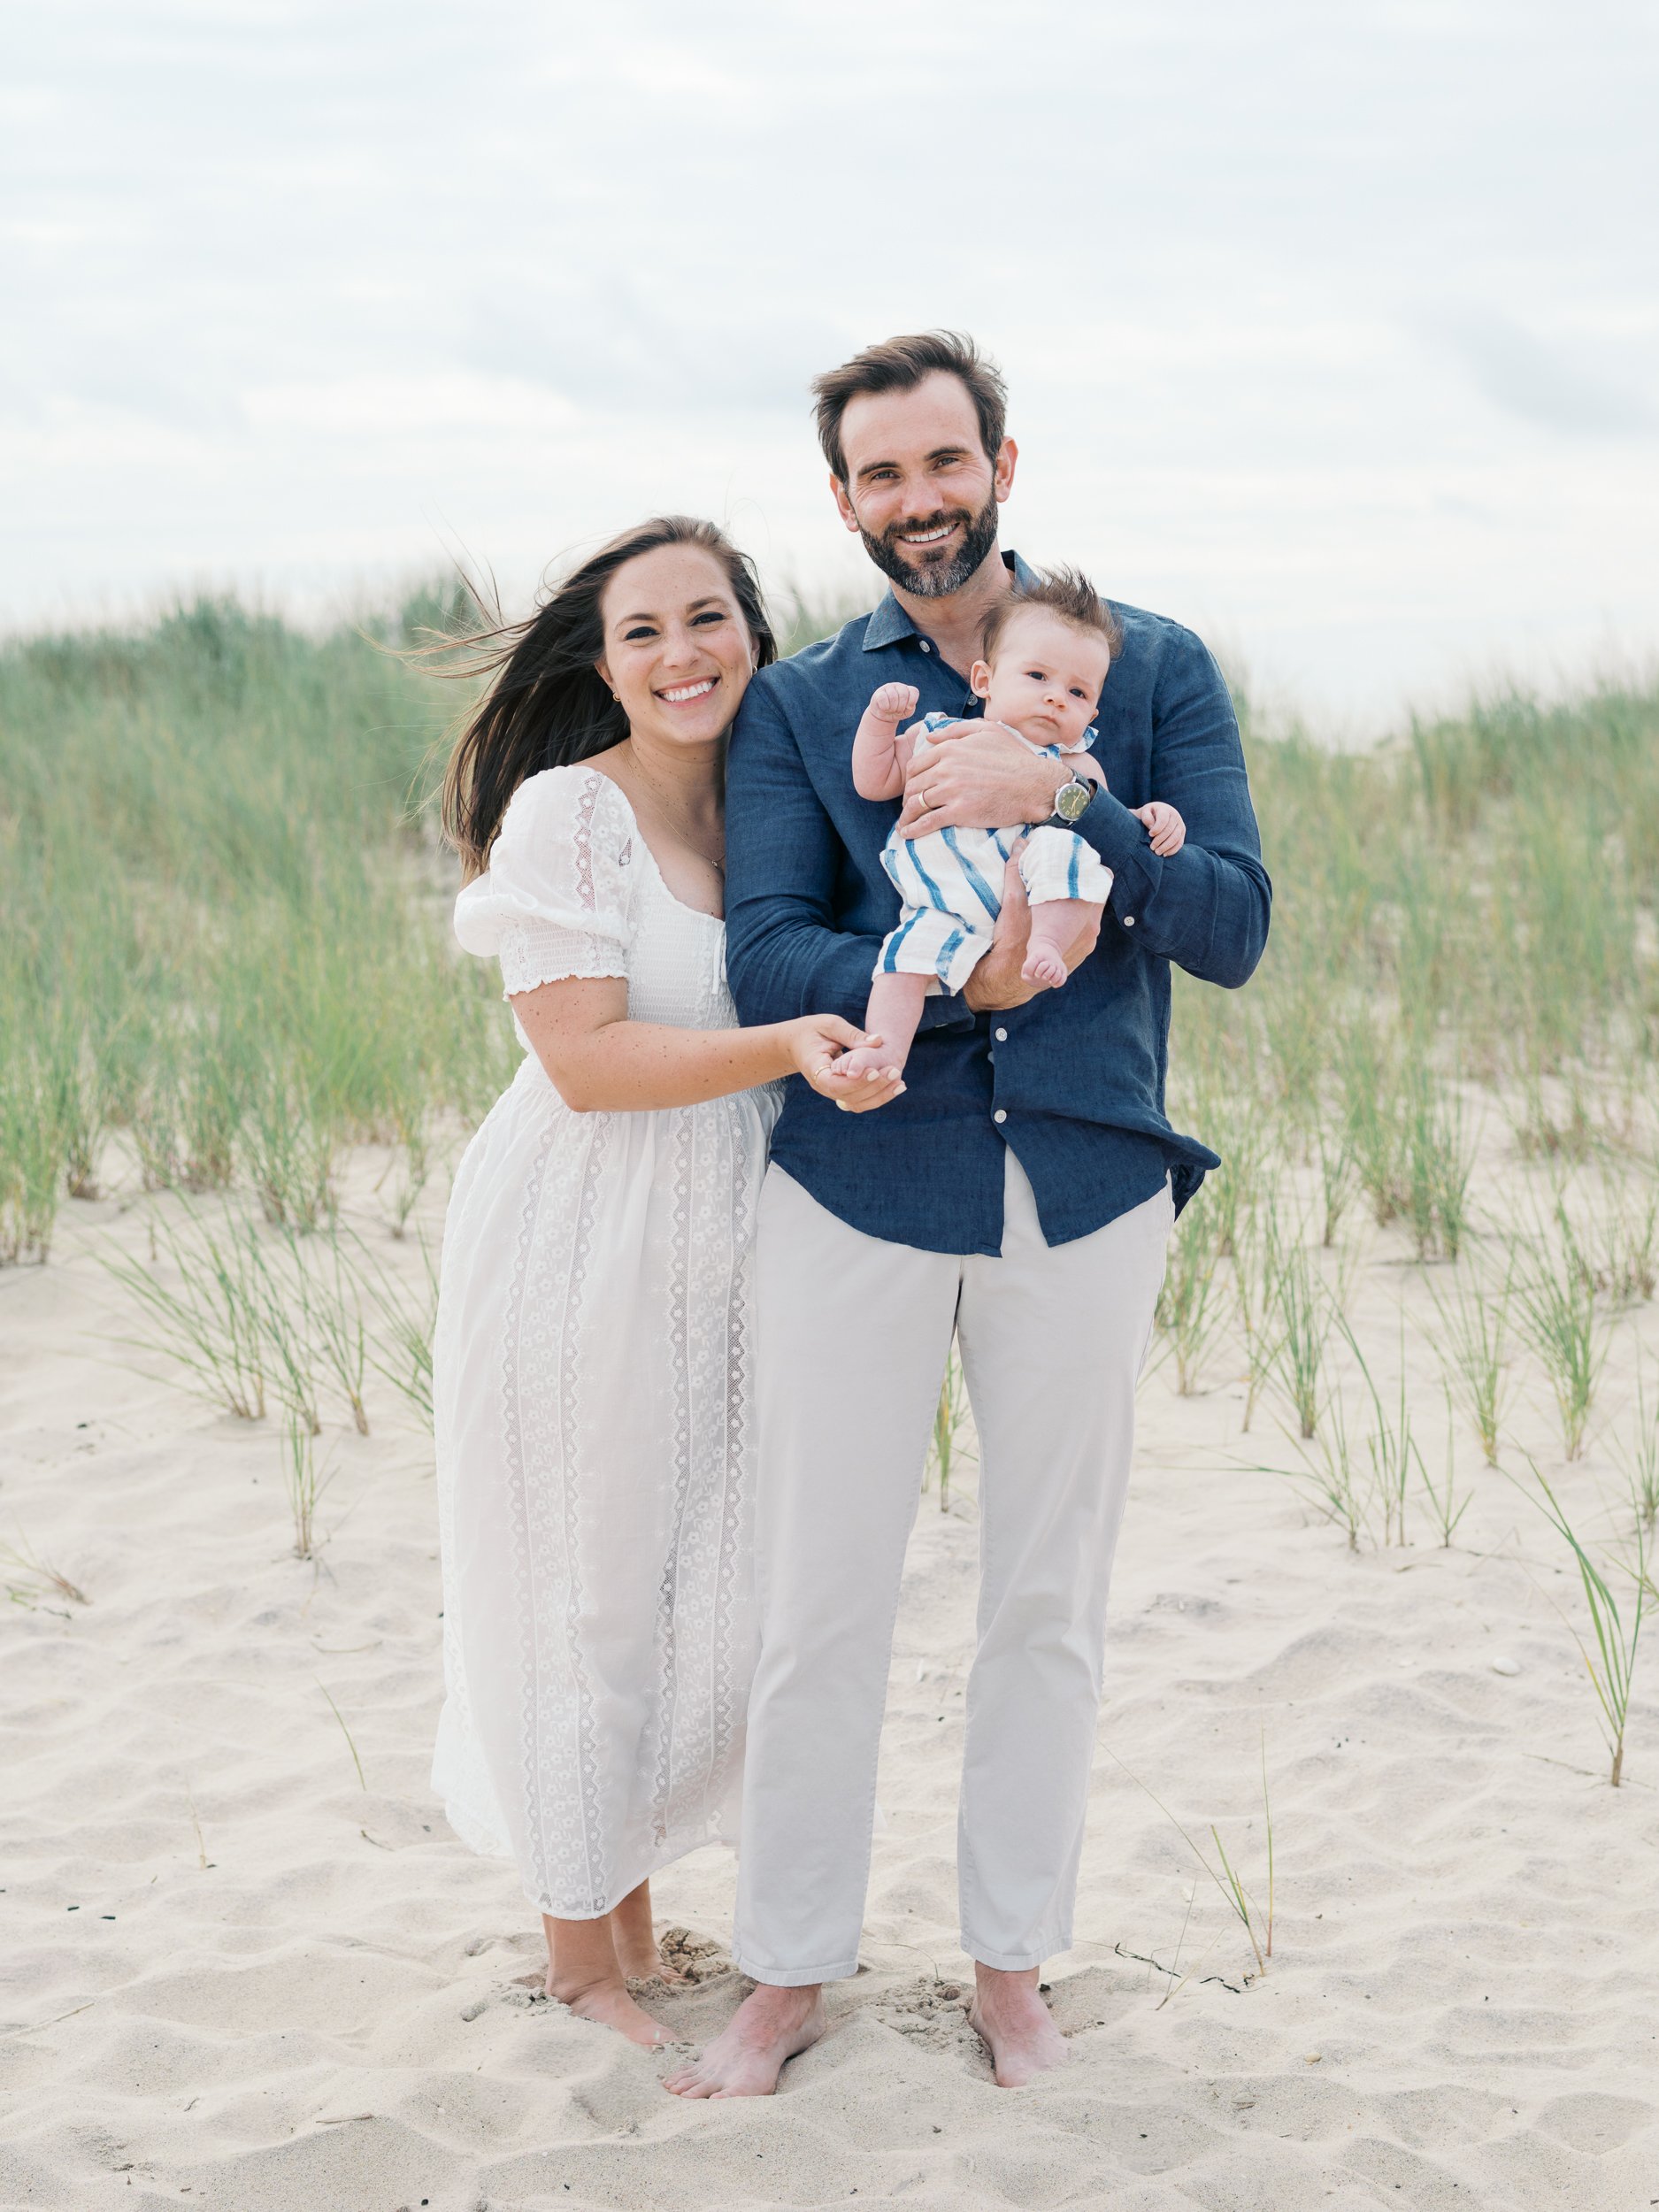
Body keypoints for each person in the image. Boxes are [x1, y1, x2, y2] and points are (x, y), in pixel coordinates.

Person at [664, 332, 1270, 2099]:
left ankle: (1012, 1969)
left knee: (1044, 1601)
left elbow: (1227, 920)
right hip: (854, 1186)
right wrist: (966, 962)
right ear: (845, 500)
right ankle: (783, 1973)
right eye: (880, 476)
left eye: (944, 463)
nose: (917, 502)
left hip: (1081, 1188)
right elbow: (767, 942)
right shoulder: (798, 704)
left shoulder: (1150, 666)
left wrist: (1066, 797)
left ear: (1003, 461)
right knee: (819, 1597)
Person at [429, 516, 885, 2051]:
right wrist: (783, 1049)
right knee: (591, 1586)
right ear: (602, 662)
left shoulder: (770, 811)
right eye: (644, 631)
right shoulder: (574, 813)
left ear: (755, 633)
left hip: (730, 1237)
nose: (683, 653)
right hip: (587, 1231)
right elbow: (582, 1060)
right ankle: (579, 1966)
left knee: (707, 1591)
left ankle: (623, 1906)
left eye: (710, 619)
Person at [831, 567, 1185, 1087]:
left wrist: (1152, 816)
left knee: (1069, 853)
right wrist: (881, 722)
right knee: (901, 963)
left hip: (1028, 887)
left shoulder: (1076, 766)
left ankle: (1045, 944)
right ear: (984, 680)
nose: (1057, 698)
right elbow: (874, 778)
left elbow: (1105, 823)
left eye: (1078, 692)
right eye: (1038, 677)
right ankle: (882, 1056)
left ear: (1091, 715)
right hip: (943, 903)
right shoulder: (939, 735)